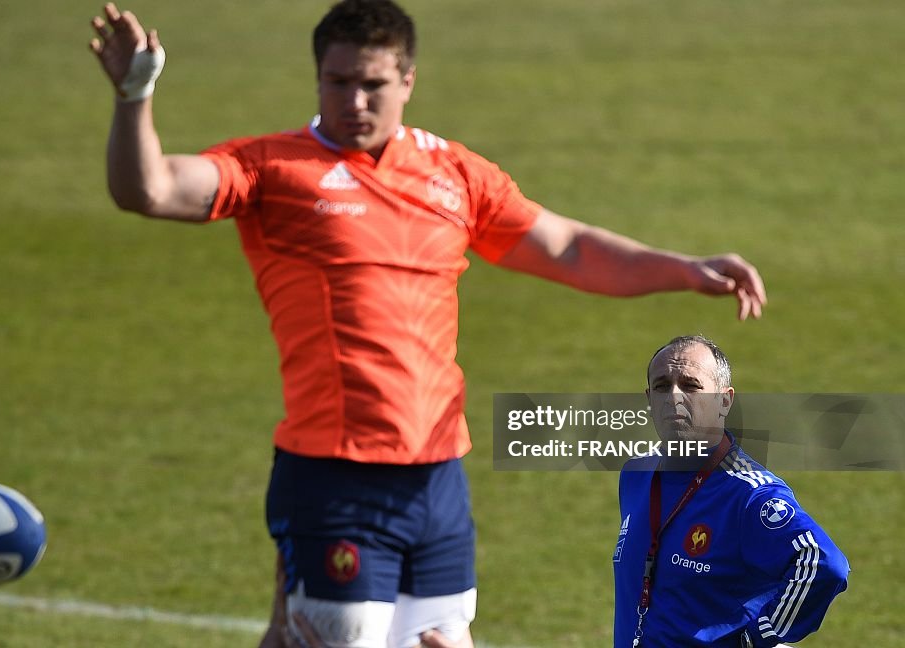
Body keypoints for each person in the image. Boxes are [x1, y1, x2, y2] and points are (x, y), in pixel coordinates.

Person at [88, 1, 768, 645]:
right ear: (317, 77)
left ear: (408, 80)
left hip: (440, 475)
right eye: (338, 81)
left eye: (373, 84)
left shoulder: (454, 174)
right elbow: (148, 189)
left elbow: (568, 248)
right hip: (334, 474)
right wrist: (133, 98)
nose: (355, 101)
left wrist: (683, 268)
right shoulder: (273, 170)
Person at [613, 336, 849, 647]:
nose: (673, 396)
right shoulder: (636, 475)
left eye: (690, 385)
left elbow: (822, 562)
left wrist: (759, 636)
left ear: (725, 400)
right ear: (649, 399)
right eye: (661, 386)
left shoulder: (749, 494)